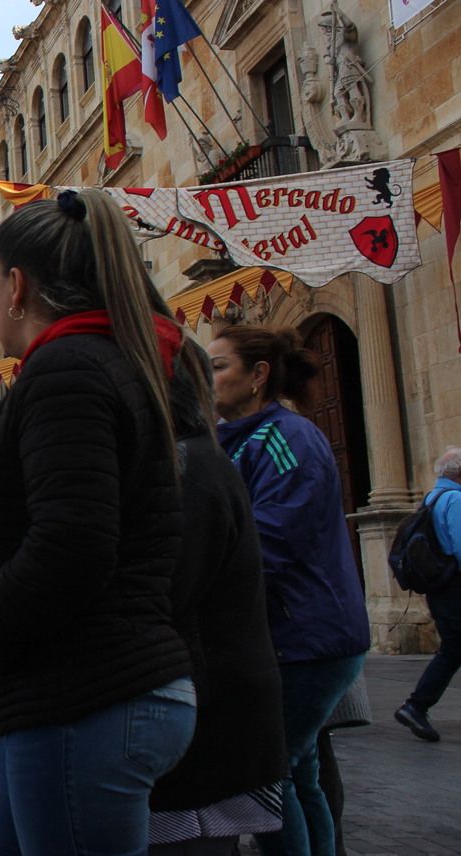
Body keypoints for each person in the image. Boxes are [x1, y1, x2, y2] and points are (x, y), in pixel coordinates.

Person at [0, 189, 195, 855]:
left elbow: (71, 548)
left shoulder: (67, 370)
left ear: (15, 287)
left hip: (86, 699)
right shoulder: (98, 363)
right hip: (78, 699)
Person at [209, 326, 370, 856]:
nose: (208, 378)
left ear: (257, 377)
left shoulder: (286, 438)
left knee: (268, 779)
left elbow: (273, 540)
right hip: (290, 636)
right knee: (297, 776)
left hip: (306, 639)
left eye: (219, 367)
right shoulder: (238, 440)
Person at [148, 344, 286, 853]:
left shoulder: (192, 470)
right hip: (218, 703)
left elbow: (172, 592)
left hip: (214, 711)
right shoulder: (200, 460)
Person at [394, 446, 461, 742]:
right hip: (455, 588)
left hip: (440, 589)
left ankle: (416, 706)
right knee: (453, 649)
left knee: (454, 647)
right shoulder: (455, 500)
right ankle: (416, 705)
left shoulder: (430, 499)